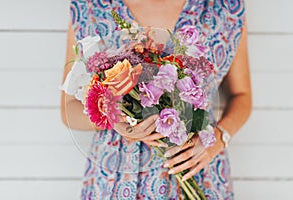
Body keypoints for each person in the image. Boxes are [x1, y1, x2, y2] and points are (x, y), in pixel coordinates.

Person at [61, 0, 252, 199]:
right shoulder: (90, 7)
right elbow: (69, 110)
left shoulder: (225, 8)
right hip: (116, 176)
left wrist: (218, 139)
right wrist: (115, 120)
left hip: (198, 168)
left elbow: (242, 96)